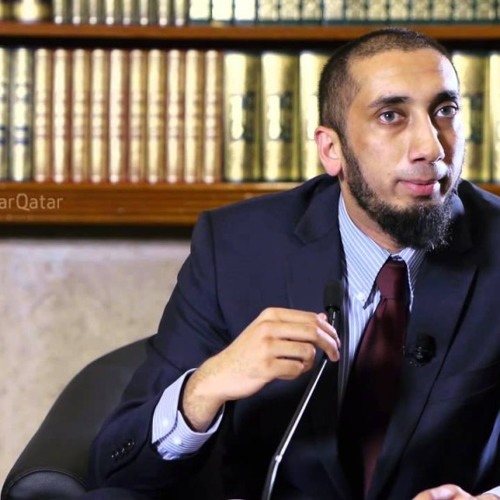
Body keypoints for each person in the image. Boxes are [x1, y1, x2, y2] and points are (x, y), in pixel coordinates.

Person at [85, 27, 500, 500]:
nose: (432, 147)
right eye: (391, 115)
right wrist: (207, 385)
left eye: (445, 111)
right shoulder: (237, 248)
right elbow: (116, 470)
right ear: (332, 150)